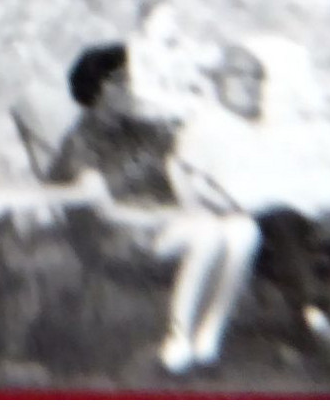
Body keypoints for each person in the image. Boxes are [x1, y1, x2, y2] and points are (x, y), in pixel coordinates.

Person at [48, 42, 262, 375]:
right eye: (123, 81)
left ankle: (207, 343)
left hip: (163, 225)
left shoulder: (139, 130)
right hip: (116, 236)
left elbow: (180, 155)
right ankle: (176, 345)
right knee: (207, 234)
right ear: (101, 88)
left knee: (243, 231)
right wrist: (163, 216)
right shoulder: (81, 143)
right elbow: (104, 211)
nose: (131, 87)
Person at [172, 44, 330, 368]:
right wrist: (222, 204)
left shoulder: (264, 127)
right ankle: (314, 319)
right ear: (219, 83)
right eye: (240, 76)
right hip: (246, 216)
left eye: (257, 78)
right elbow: (190, 180)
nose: (250, 85)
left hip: (294, 210)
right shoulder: (203, 126)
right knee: (282, 220)